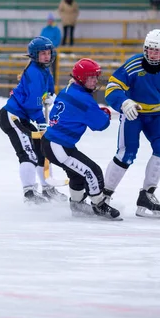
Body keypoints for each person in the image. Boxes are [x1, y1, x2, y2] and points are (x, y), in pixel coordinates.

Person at [103, 29, 160, 218]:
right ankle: (104, 195)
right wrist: (124, 102)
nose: (152, 54)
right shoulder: (133, 65)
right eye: (149, 49)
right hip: (133, 113)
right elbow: (112, 87)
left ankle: (147, 194)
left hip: (157, 114)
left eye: (157, 51)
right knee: (126, 153)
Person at [42, 59, 121, 220]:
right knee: (93, 171)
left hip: (54, 143)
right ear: (81, 78)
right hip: (59, 146)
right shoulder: (84, 100)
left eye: (95, 77)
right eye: (91, 77)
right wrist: (105, 113)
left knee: (77, 175)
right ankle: (99, 204)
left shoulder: (69, 88)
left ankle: (77, 205)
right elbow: (100, 124)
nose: (95, 81)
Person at [0, 36, 67, 204]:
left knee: (41, 151)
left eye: (48, 52)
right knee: (27, 154)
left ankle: (47, 187)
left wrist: (52, 97)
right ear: (34, 55)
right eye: (42, 53)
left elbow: (48, 91)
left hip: (24, 117)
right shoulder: (34, 72)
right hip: (13, 117)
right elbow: (33, 103)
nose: (46, 56)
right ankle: (29, 192)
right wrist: (42, 121)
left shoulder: (44, 70)